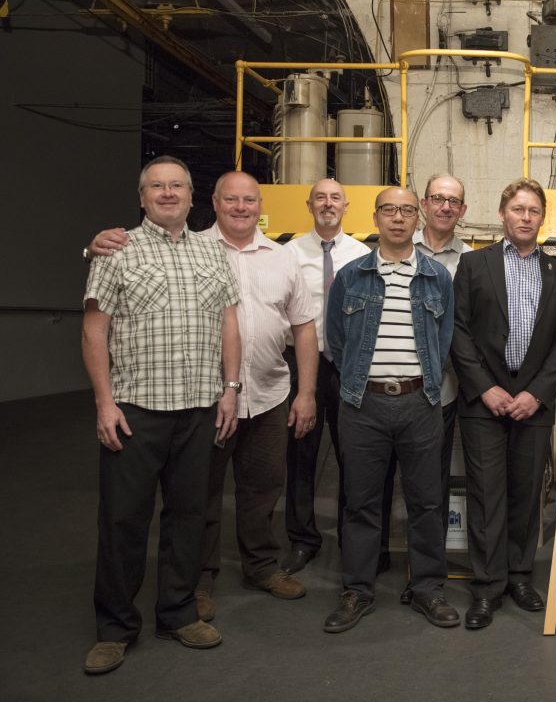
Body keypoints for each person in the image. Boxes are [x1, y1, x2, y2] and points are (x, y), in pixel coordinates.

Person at [90, 172, 320, 618]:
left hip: (268, 392)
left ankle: (261, 565)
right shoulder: (198, 247)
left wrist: (305, 390)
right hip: (205, 399)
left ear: (259, 205)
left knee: (262, 487)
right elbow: (102, 305)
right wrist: (91, 244)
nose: (240, 207)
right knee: (200, 494)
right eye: (230, 199)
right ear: (212, 203)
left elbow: (304, 327)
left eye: (249, 200)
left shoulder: (283, 257)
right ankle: (199, 579)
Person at [81, 156, 240, 674]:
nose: (167, 193)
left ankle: (177, 612)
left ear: (192, 197)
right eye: (157, 186)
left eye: (176, 186)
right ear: (142, 196)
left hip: (198, 408)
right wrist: (105, 402)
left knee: (188, 517)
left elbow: (229, 324)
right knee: (123, 519)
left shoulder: (212, 252)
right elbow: (93, 331)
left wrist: (230, 389)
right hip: (135, 410)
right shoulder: (116, 250)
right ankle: (115, 628)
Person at [322, 186, 459, 632]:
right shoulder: (351, 275)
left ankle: (427, 590)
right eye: (388, 210)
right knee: (360, 503)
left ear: (417, 217)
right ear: (376, 216)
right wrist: (365, 382)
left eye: (405, 210)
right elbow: (337, 343)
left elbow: (444, 341)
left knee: (426, 502)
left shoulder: (438, 277)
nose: (397, 218)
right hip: (363, 405)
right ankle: (357, 591)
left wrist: (422, 386)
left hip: (421, 404)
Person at [451, 178, 556, 630]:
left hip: (532, 403)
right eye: (518, 209)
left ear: (543, 218)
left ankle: (521, 576)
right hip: (483, 401)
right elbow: (459, 332)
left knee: (527, 493)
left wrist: (536, 393)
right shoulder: (472, 265)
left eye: (534, 211)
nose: (525, 217)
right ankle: (487, 587)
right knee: (486, 495)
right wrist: (485, 387)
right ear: (503, 214)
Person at [280, 178, 371, 575]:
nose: (328, 203)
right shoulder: (288, 253)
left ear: (346, 206)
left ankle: (353, 537)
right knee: (301, 453)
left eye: (335, 198)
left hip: (348, 364)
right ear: (309, 204)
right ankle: (302, 539)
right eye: (321, 197)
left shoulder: (363, 254)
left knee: (353, 454)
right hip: (301, 364)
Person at [393, 173, 472, 600]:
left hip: (442, 391)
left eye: (453, 201)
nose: (444, 206)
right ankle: (374, 566)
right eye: (437, 199)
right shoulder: (397, 249)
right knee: (381, 481)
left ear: (462, 211)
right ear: (424, 203)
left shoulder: (472, 261)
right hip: (392, 387)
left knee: (432, 485)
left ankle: (427, 574)